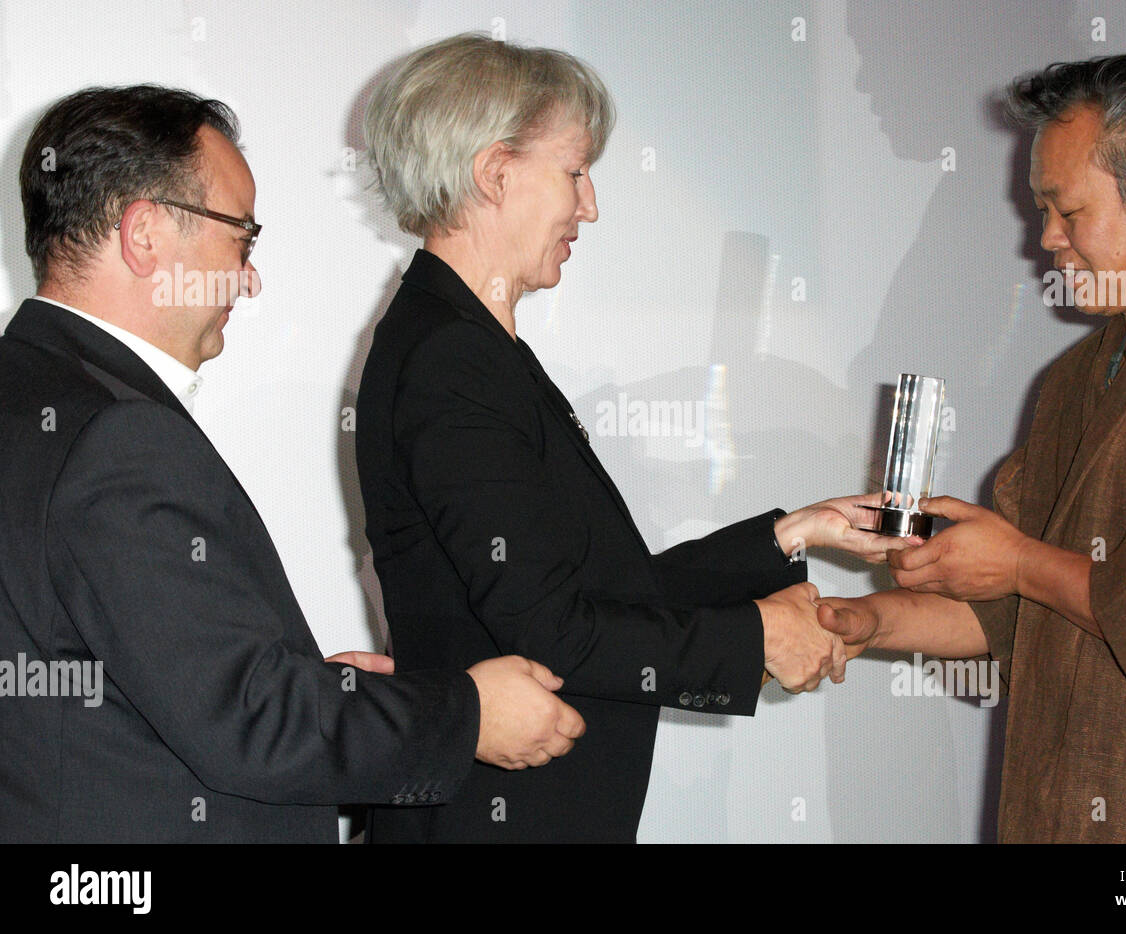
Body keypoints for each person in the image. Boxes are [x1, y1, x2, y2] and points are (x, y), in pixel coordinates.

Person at [356, 33, 907, 843]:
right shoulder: (452, 360)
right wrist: (758, 635)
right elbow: (554, 632)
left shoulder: (472, 346)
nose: (590, 206)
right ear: (493, 172)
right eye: (574, 172)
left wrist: (788, 534)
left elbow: (588, 594)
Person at [0, 84, 586, 843]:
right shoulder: (118, 439)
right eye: (241, 236)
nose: (251, 277)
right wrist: (468, 716)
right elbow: (248, 717)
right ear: (145, 234)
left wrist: (314, 687)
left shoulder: (30, 398)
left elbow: (132, 676)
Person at [820, 55, 1126, 842]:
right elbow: (1011, 613)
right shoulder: (1079, 374)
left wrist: (1011, 560)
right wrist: (871, 621)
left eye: (1066, 211)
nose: (1045, 239)